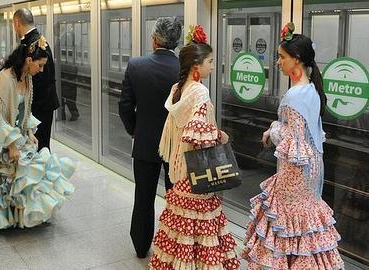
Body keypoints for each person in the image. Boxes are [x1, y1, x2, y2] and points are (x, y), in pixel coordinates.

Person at [243, 23, 344, 269]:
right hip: (311, 172)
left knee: (286, 228)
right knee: (306, 229)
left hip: (293, 175)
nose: (278, 62)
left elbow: (293, 140)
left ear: (296, 60)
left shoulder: (294, 96)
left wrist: (272, 129)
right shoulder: (311, 90)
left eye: (281, 57)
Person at [149, 25, 240, 269]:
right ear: (196, 65)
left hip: (180, 169)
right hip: (196, 173)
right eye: (210, 61)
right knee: (202, 226)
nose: (213, 65)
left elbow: (182, 130)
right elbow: (199, 136)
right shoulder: (200, 91)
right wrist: (220, 136)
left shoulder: (178, 89)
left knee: (181, 225)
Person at [0, 36, 75, 231]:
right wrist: (11, 145)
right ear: (29, 61)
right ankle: (4, 216)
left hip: (8, 125)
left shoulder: (26, 77)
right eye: (40, 65)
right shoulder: (3, 80)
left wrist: (28, 131)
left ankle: (17, 214)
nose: (41, 70)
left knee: (24, 160)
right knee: (9, 166)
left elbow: (23, 109)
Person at [118, 17, 181, 259]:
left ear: (154, 39)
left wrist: (135, 130)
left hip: (145, 143)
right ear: (175, 43)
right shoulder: (183, 70)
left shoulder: (136, 65)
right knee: (176, 197)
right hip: (175, 147)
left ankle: (142, 246)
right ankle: (175, 246)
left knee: (143, 196)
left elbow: (125, 106)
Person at [13, 8, 59, 151]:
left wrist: (27, 109)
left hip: (39, 106)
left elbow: (41, 79)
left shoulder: (35, 44)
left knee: (39, 148)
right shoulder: (34, 40)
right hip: (41, 104)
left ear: (17, 23)